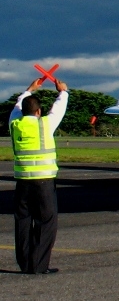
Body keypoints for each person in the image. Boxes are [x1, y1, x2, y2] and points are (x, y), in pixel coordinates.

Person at [9, 76, 69, 275]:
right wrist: (63, 92)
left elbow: (18, 107)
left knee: (23, 221)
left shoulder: (15, 125)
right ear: (38, 111)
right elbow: (59, 109)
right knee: (46, 222)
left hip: (22, 181)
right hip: (43, 181)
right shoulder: (45, 125)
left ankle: (25, 264)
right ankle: (39, 265)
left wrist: (29, 90)